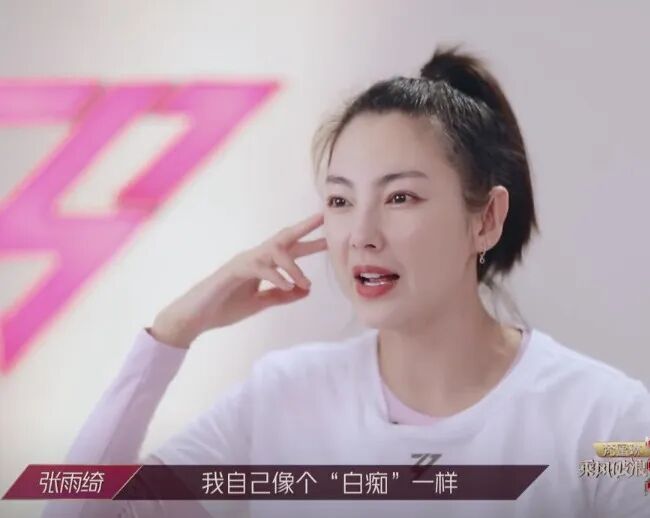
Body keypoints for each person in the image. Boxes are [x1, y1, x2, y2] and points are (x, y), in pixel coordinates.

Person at [41, 44, 650, 518]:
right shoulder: (283, 397)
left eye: (400, 197)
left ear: (486, 218)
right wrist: (173, 332)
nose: (361, 234)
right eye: (339, 200)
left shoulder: (608, 423)